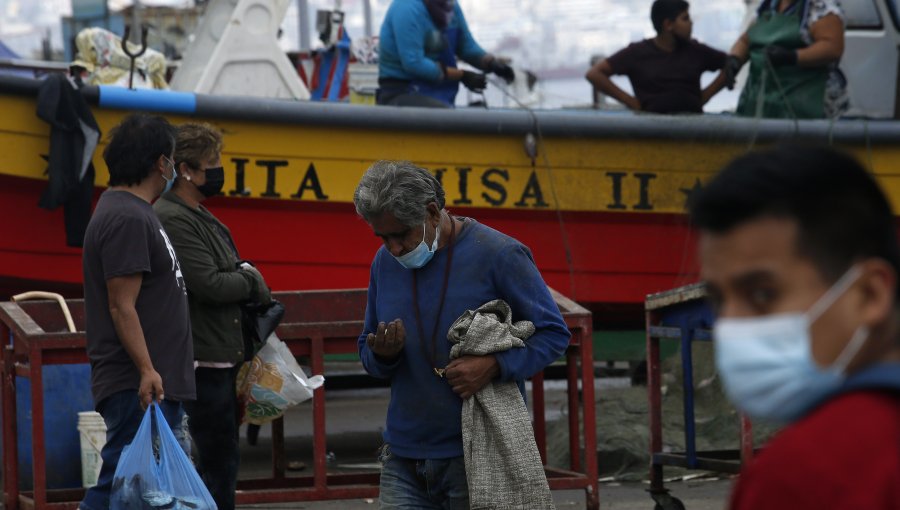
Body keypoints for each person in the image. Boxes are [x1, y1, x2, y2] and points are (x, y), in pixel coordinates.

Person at [689, 146, 900, 509]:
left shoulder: (806, 472)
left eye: (762, 293)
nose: (730, 326)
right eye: (719, 300)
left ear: (869, 294)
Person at [353, 160, 571, 508]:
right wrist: (383, 355)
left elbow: (553, 334)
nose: (393, 248)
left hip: (474, 453)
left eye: (401, 234)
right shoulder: (384, 263)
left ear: (432, 211)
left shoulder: (499, 253)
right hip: (403, 455)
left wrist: (494, 366)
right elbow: (367, 349)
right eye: (383, 237)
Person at [153, 123, 271, 510]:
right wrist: (251, 280)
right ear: (186, 170)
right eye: (212, 164)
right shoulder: (174, 217)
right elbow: (210, 283)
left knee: (222, 459)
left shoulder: (195, 214)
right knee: (215, 460)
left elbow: (224, 274)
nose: (218, 171)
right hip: (201, 359)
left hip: (218, 354)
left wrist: (241, 276)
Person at [80, 113, 195, 510]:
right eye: (173, 162)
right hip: (140, 386)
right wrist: (147, 368)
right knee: (121, 488)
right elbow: (121, 304)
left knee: (142, 494)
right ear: (160, 163)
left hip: (152, 384)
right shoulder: (127, 217)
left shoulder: (134, 212)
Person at [585, 0, 729, 114]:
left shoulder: (695, 50)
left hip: (692, 128)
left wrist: (706, 96)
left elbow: (731, 64)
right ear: (668, 25)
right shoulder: (637, 53)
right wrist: (630, 101)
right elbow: (595, 74)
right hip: (651, 129)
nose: (691, 23)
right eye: (685, 18)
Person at [377, 0, 515, 108]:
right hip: (402, 93)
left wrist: (491, 63)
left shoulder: (450, 7)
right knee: (448, 121)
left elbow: (466, 46)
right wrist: (462, 75)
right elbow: (414, 63)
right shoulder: (407, 8)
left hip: (439, 94)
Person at [727, 0, 848, 119]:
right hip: (762, 107)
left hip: (808, 111)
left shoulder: (820, 6)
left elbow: (833, 47)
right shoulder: (767, 6)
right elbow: (745, 41)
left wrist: (791, 57)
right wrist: (734, 60)